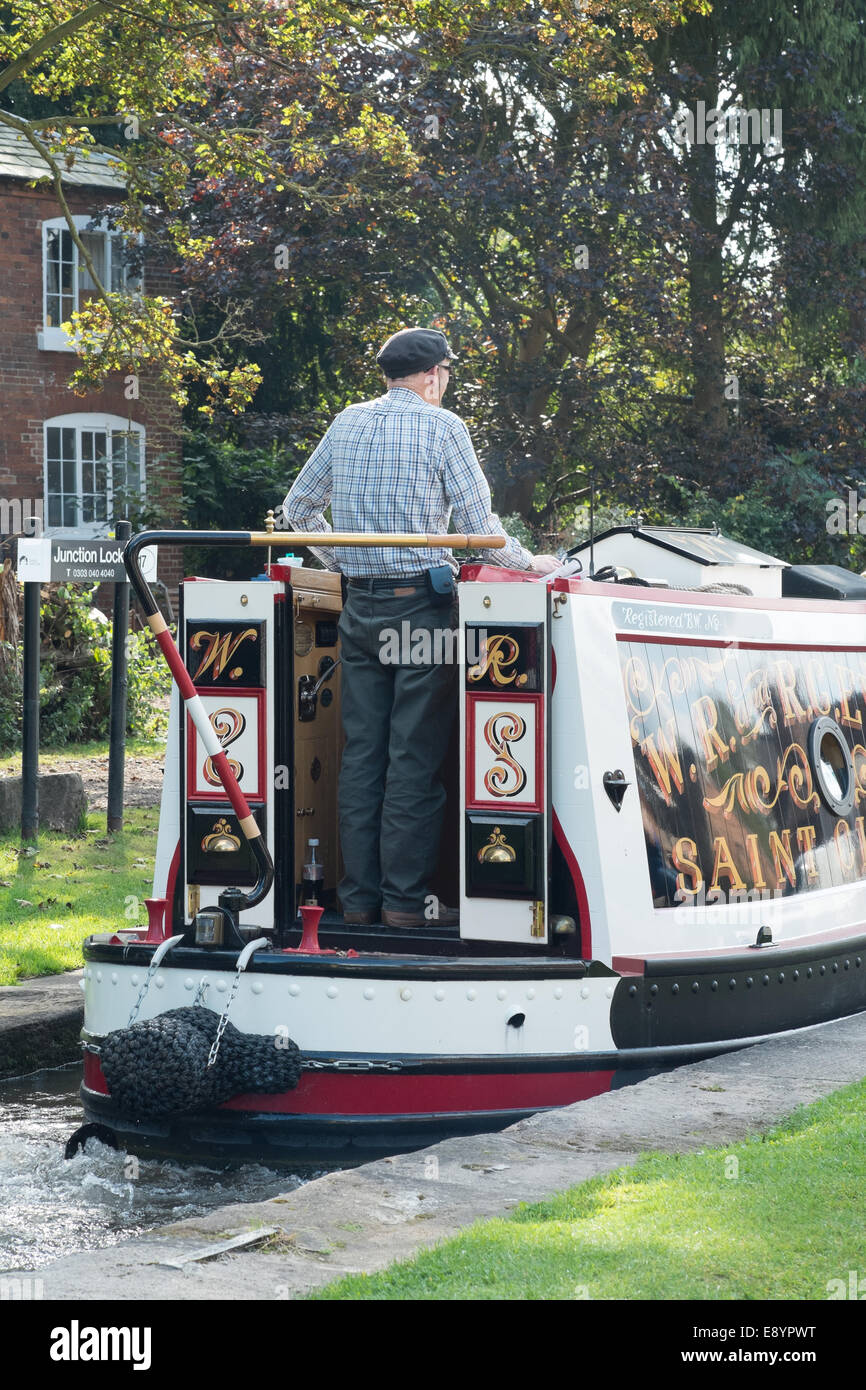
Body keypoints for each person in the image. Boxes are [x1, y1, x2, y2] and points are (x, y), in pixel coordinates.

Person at [282, 326, 559, 928]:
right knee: (412, 757)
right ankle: (405, 907)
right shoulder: (443, 428)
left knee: (361, 757)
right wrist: (531, 564)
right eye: (448, 375)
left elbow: (297, 511)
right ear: (434, 376)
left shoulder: (346, 423)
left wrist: (345, 564)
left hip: (358, 609)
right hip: (420, 613)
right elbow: (478, 524)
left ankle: (355, 905)